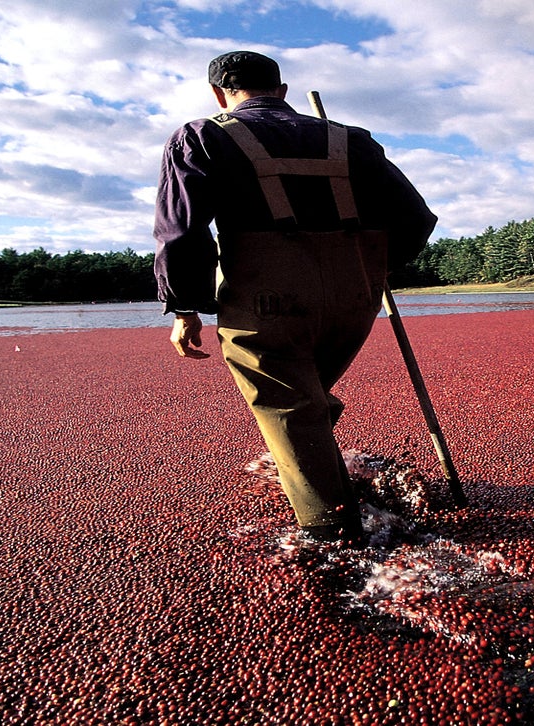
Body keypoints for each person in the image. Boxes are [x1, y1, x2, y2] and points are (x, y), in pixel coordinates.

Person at [153, 51, 437, 545]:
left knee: (284, 401)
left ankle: (333, 530)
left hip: (267, 299)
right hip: (355, 298)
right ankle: (327, 470)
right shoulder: (349, 138)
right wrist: (373, 270)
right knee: (305, 391)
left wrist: (184, 305)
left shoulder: (201, 135)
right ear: (281, 90)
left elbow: (181, 231)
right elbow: (415, 218)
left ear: (220, 94)